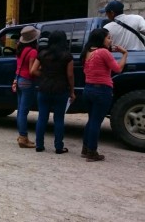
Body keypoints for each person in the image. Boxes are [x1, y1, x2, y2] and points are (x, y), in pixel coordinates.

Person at [80, 28, 128, 162]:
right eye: (108, 37)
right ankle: (92, 152)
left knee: (91, 120)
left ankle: (86, 148)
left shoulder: (87, 52)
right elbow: (117, 69)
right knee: (96, 121)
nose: (110, 40)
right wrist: (124, 54)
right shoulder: (103, 52)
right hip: (102, 90)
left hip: (88, 89)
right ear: (101, 39)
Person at [30, 31, 75, 154]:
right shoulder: (67, 56)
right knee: (59, 119)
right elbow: (70, 76)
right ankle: (59, 147)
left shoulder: (42, 54)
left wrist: (44, 75)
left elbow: (33, 70)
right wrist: (72, 91)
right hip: (61, 89)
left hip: (44, 88)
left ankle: (39, 145)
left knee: (42, 118)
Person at [12, 26, 39, 148]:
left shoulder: (19, 49)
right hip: (27, 81)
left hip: (18, 80)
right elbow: (32, 71)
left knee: (20, 110)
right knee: (24, 111)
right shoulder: (33, 52)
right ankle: (23, 137)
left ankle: (22, 135)